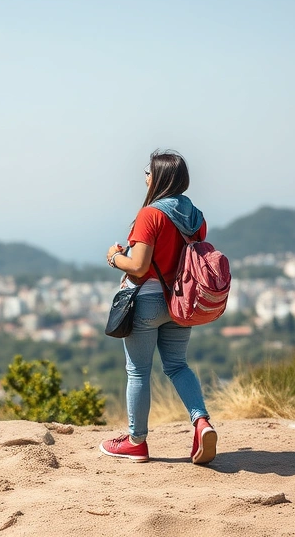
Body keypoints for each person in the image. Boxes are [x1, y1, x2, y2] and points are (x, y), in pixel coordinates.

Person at [99, 149, 217, 465]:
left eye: (148, 172)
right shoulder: (195, 216)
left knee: (138, 371)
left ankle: (136, 442)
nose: (146, 177)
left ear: (160, 177)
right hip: (181, 302)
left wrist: (113, 256)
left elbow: (138, 266)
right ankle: (201, 421)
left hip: (147, 302)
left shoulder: (150, 214)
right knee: (178, 366)